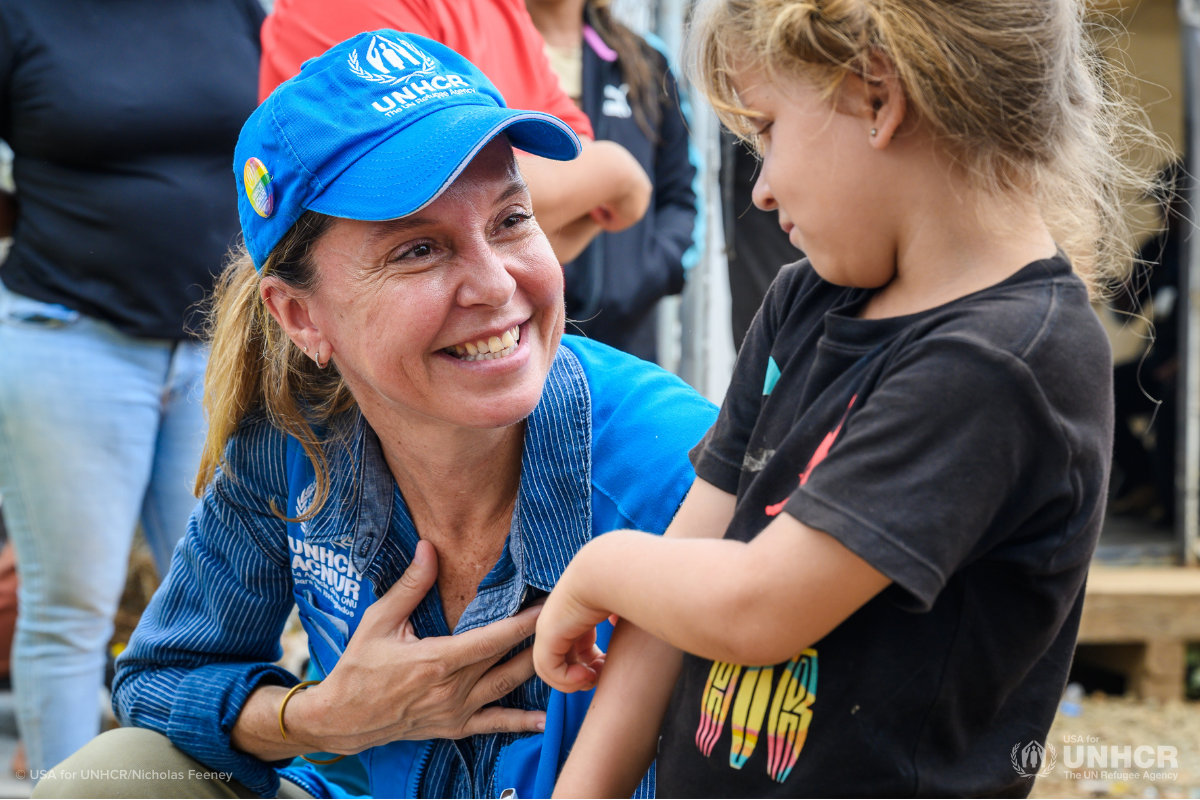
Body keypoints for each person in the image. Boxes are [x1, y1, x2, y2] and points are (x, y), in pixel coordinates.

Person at [33, 31, 716, 799]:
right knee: (106, 783)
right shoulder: (296, 436)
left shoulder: (680, 469)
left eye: (511, 220)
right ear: (300, 318)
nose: (495, 286)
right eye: (418, 250)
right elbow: (161, 680)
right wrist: (321, 717)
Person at [532, 0, 1152, 795]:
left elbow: (757, 607)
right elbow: (680, 586)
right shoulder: (807, 301)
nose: (758, 191)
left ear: (876, 98)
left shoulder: (1002, 364)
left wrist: (597, 568)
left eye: (765, 130)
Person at [0, 0, 264, 776]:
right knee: (71, 610)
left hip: (217, 347)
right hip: (67, 334)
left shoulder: (234, 9)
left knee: (223, 610)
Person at [260, 0, 653, 266]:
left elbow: (555, 202)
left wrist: (562, 196)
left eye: (508, 222)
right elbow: (423, 201)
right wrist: (616, 172)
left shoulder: (503, 6)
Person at [526, 0, 700, 362]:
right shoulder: (483, 52)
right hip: (515, 328)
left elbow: (682, 190)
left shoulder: (644, 59)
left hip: (626, 338)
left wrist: (649, 271)